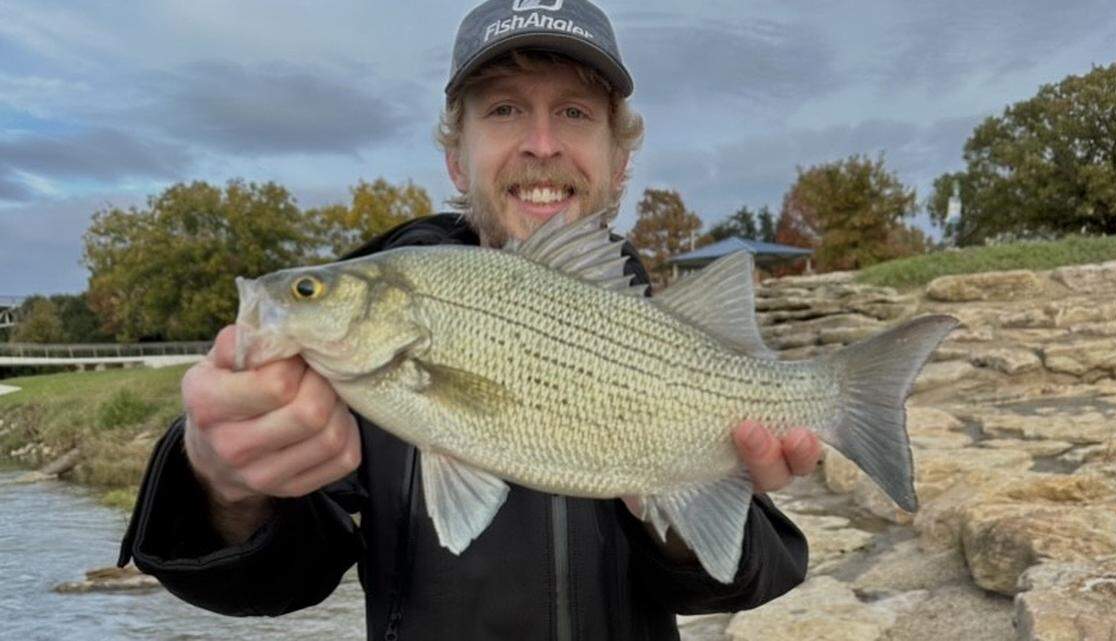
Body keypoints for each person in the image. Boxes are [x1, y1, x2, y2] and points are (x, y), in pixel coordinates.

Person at [118, 1, 823, 639]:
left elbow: (747, 575)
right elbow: (280, 580)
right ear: (457, 159)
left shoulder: (657, 326)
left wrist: (676, 511)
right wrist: (222, 485)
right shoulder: (341, 366)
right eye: (504, 110)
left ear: (620, 161)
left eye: (575, 112)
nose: (542, 144)